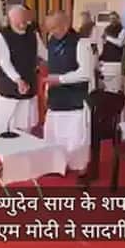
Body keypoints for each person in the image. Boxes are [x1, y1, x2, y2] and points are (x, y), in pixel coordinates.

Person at [43, 11, 94, 172]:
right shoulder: (52, 41)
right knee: (55, 134)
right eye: (49, 29)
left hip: (75, 98)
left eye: (54, 28)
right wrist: (48, 88)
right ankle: (58, 164)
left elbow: (85, 73)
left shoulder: (81, 43)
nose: (51, 32)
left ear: (66, 25)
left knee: (76, 138)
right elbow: (52, 68)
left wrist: (60, 79)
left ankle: (80, 167)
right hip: (56, 97)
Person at [0, 5, 47, 133]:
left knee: (27, 125)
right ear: (10, 20)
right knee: (7, 127)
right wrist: (18, 80)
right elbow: (4, 62)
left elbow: (44, 53)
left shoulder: (33, 34)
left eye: (24, 19)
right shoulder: (3, 35)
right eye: (18, 20)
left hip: (29, 84)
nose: (22, 23)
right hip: (9, 86)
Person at [98, 12, 125, 93]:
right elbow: (104, 43)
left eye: (114, 18)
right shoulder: (107, 29)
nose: (112, 20)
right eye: (111, 19)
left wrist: (107, 38)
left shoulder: (123, 30)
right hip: (107, 61)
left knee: (116, 87)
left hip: (117, 61)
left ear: (118, 19)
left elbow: (119, 43)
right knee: (107, 87)